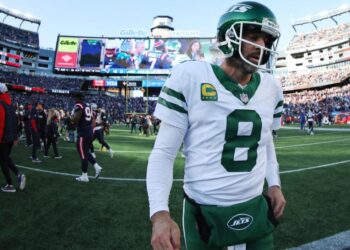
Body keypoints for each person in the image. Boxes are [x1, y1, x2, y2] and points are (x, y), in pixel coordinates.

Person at [146, 2, 286, 249]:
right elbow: (164, 153)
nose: (262, 47)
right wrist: (159, 213)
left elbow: (266, 142)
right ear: (230, 38)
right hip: (204, 212)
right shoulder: (191, 76)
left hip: (255, 208)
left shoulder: (271, 87)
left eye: (266, 40)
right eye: (254, 37)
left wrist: (274, 183)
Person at [0, 83, 26, 192]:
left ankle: (10, 184)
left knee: (3, 160)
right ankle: (18, 175)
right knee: (6, 158)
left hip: (3, 138)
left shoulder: (1, 104)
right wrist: (15, 137)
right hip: (10, 137)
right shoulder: (10, 105)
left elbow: (1, 124)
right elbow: (15, 122)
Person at [71, 93, 102, 182]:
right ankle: (97, 167)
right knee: (85, 152)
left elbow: (75, 119)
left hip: (83, 133)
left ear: (77, 98)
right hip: (89, 131)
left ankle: (85, 176)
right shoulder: (87, 105)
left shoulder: (79, 105)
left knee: (83, 155)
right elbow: (93, 119)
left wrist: (71, 117)